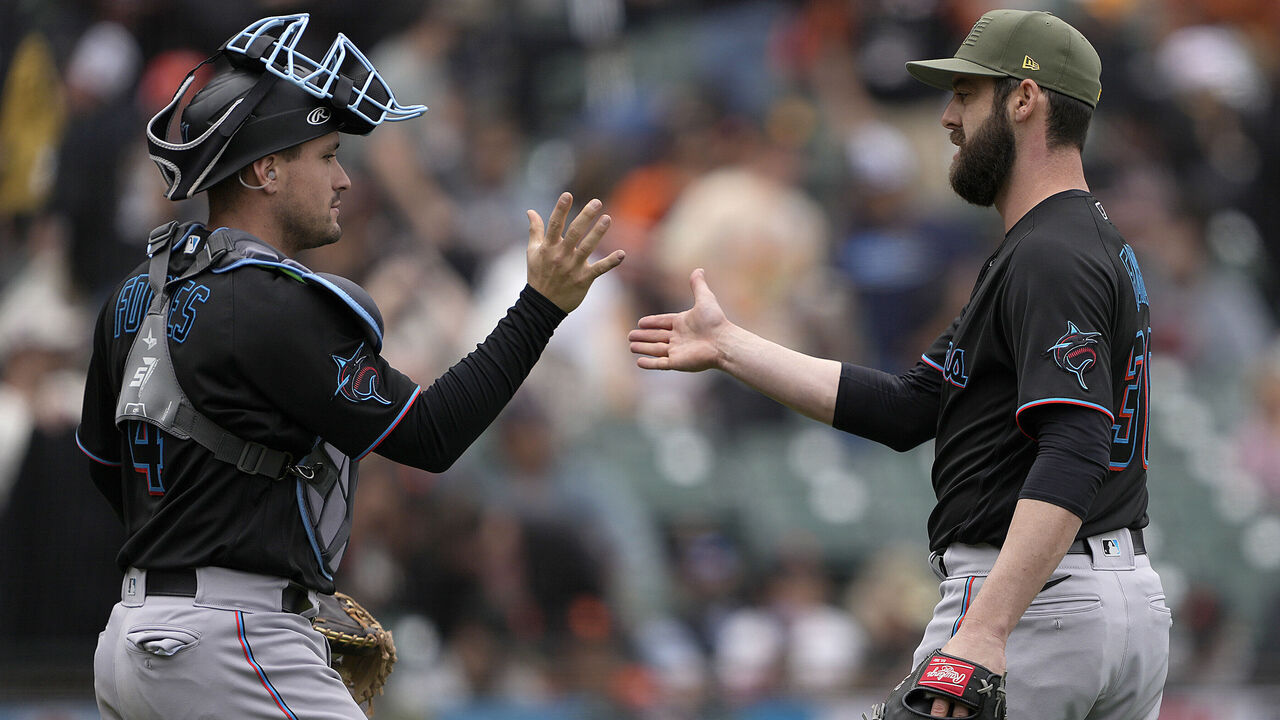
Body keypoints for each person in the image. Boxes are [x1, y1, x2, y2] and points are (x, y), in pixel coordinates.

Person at [75, 13, 623, 719]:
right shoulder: (270, 301)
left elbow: (103, 464)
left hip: (131, 638)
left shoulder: (131, 293)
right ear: (267, 169)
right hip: (232, 640)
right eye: (327, 155)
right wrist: (541, 306)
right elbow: (431, 435)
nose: (344, 180)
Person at [630, 9, 1168, 719]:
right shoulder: (1078, 241)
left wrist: (986, 628)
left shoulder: (1048, 252)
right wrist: (731, 346)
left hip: (1035, 605)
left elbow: (1073, 445)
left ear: (1025, 99)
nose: (947, 116)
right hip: (1105, 595)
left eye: (967, 95)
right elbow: (911, 407)